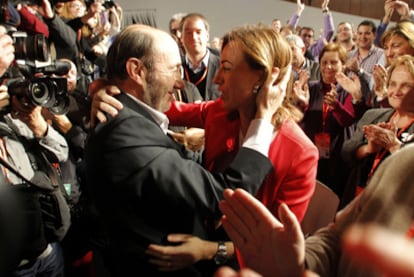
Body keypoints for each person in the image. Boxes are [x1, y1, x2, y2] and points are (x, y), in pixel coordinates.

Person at [90, 24, 318, 275]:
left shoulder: (300, 153)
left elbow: (277, 244)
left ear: (264, 78)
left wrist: (211, 249)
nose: (216, 78)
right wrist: (106, 89)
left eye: (226, 68)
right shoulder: (220, 112)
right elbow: (154, 103)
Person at [214, 142, 414, 277]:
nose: (218, 80)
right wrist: (301, 262)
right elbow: (336, 239)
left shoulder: (298, 148)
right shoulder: (405, 161)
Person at [0, 25, 70, 277]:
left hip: (46, 249)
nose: (6, 40)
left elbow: (61, 153)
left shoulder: (14, 106)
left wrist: (38, 124)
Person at [296, 42, 370, 198]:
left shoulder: (349, 88)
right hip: (312, 155)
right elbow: (298, 121)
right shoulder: (311, 87)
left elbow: (348, 120)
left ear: (343, 65)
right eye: (324, 62)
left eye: (334, 62)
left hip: (338, 160)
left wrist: (335, 106)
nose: (328, 67)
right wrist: (301, 105)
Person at [341, 54, 414, 206]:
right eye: (392, 84)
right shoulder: (373, 115)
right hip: (356, 204)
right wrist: (368, 148)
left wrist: (394, 146)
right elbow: (346, 152)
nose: (396, 91)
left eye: (406, 85)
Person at [371, 20, 414, 108]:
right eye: (386, 48)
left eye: (396, 46)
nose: (389, 54)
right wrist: (380, 92)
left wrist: (385, 95)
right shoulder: (387, 71)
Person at [180, 13, 221, 100]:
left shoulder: (222, 66)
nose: (194, 37)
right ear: (181, 38)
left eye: (198, 32)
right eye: (188, 33)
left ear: (207, 36)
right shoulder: (174, 68)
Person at [346, 20, 385, 93]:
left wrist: (359, 71)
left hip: (368, 101)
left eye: (367, 33)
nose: (362, 37)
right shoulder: (349, 55)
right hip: (347, 99)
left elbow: (378, 82)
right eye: (360, 33)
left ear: (374, 35)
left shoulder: (381, 55)